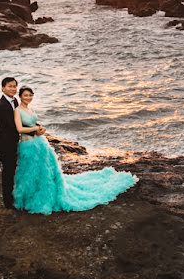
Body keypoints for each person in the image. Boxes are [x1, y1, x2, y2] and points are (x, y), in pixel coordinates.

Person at [12, 86, 138, 214]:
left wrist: (40, 128)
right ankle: (29, 197)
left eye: (30, 95)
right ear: (20, 96)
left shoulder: (30, 109)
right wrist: (34, 129)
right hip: (28, 145)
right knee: (29, 171)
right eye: (26, 95)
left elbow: (34, 124)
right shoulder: (18, 110)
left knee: (45, 171)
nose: (28, 97)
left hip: (40, 142)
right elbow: (20, 129)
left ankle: (44, 194)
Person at [0, 77, 39, 209]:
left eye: (14, 86)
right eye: (10, 86)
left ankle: (15, 195)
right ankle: (8, 202)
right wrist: (34, 131)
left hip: (15, 143)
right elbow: (13, 126)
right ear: (3, 88)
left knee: (15, 171)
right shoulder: (1, 105)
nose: (13, 88)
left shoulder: (14, 101)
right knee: (8, 173)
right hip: (6, 145)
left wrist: (36, 125)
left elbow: (22, 119)